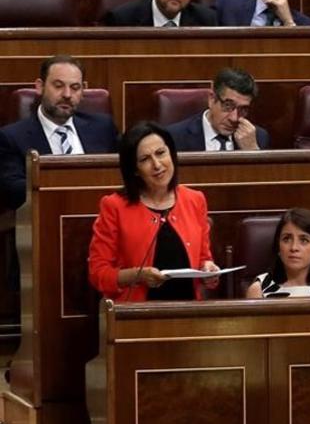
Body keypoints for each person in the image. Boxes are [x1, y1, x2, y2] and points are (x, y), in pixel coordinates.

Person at [87, 122, 220, 301]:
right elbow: (98, 274)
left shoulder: (195, 200)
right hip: (137, 314)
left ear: (171, 154)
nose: (157, 165)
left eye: (160, 153)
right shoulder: (114, 206)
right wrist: (138, 276)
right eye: (145, 159)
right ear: (134, 169)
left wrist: (208, 269)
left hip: (188, 311)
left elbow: (204, 258)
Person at [0, 55, 119, 210]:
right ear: (40, 86)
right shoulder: (11, 137)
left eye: (75, 88)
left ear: (83, 90)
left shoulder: (103, 127)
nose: (67, 95)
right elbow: (12, 191)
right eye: (58, 86)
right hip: (46, 218)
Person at [246, 208, 310, 297]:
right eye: (286, 239)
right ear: (278, 245)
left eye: (304, 240)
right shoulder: (258, 290)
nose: (294, 247)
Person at [165, 67, 270, 151]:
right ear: (212, 99)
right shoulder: (175, 137)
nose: (234, 118)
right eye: (228, 105)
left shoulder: (258, 138)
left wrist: (252, 153)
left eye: (243, 109)